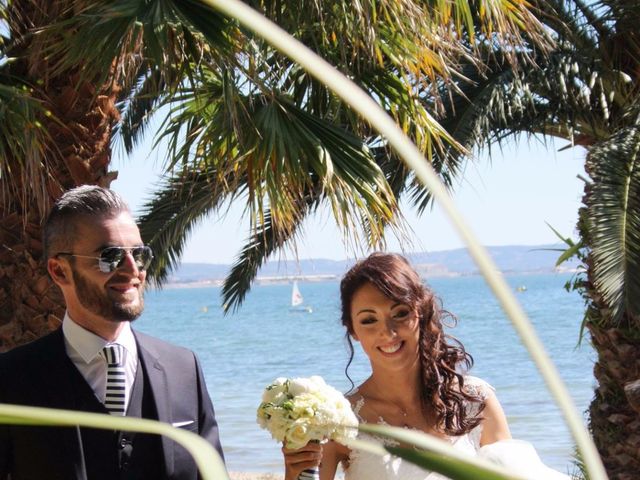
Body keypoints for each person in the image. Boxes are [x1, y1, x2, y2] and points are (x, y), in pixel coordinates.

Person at [0, 186, 224, 480]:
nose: (133, 269)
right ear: (59, 271)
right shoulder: (11, 378)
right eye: (110, 255)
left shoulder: (184, 370)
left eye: (140, 254)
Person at [282, 252, 568, 480]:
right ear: (353, 330)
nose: (388, 331)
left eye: (400, 313)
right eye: (369, 320)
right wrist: (295, 471)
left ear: (420, 312)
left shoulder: (476, 400)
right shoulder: (340, 421)